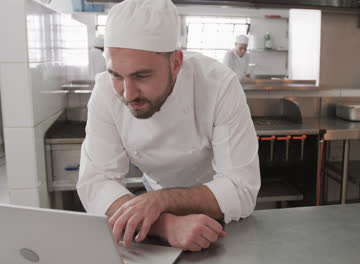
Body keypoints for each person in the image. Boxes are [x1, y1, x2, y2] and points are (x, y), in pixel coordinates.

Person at [76, 0, 260, 252]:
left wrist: (160, 201)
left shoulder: (218, 86)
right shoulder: (105, 91)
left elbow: (241, 189)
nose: (128, 94)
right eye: (117, 75)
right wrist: (164, 224)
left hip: (219, 210)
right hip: (147, 218)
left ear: (176, 63)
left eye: (141, 76)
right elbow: (96, 182)